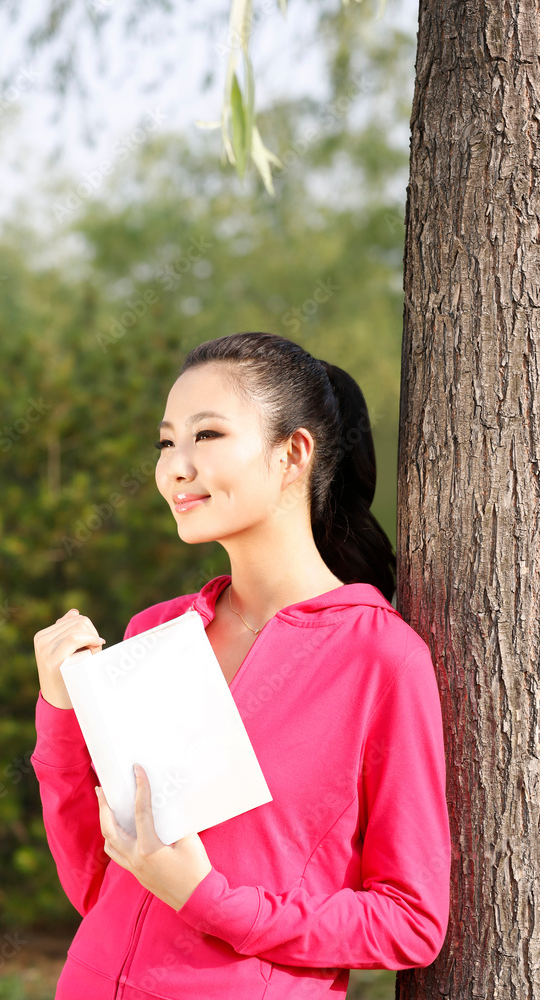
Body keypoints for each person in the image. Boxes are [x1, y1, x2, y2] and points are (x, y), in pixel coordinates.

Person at [31, 331, 452, 999]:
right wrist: (59, 715)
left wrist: (209, 899)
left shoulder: (380, 659)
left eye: (207, 436)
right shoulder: (158, 631)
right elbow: (96, 883)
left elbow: (409, 923)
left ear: (292, 454)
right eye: (167, 442)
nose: (175, 467)